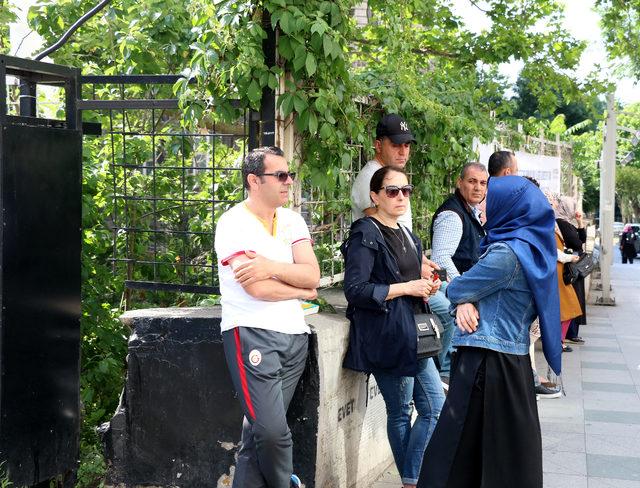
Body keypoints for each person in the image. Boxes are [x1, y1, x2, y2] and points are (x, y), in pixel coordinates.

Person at [417, 176, 562, 488]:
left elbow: (458, 285)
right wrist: (464, 303)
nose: (482, 206)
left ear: (510, 207)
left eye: (489, 201)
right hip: (511, 362)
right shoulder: (533, 247)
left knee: (454, 451)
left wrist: (462, 299)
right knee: (503, 453)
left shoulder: (507, 254)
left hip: (485, 362)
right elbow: (470, 292)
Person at [214, 146, 320, 488]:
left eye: (289, 174)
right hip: (252, 337)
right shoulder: (233, 223)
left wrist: (270, 267)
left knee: (257, 435)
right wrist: (299, 289)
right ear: (254, 181)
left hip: (294, 338)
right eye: (281, 175)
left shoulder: (292, 220)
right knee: (273, 433)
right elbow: (256, 290)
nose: (289, 181)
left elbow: (312, 275)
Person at [342, 166, 445, 488]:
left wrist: (428, 285)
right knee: (401, 412)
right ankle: (412, 481)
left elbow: (411, 281)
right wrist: (407, 288)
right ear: (375, 196)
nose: (401, 197)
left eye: (406, 190)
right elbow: (355, 290)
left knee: (433, 408)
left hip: (415, 334)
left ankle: (412, 477)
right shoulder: (365, 233)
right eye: (392, 191)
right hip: (387, 336)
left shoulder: (408, 235)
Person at [351, 113, 456, 387]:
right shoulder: (371, 178)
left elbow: (400, 235)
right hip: (389, 286)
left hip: (405, 277)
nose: (403, 150)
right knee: (445, 309)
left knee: (450, 296)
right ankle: (441, 371)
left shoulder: (390, 176)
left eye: (407, 145)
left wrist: (419, 261)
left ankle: (435, 371)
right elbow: (382, 233)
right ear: (378, 144)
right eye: (396, 144)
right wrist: (413, 272)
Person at [430, 162, 488, 280]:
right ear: (459, 182)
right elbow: (439, 259)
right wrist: (459, 289)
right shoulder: (452, 215)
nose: (478, 188)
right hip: (454, 292)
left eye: (483, 183)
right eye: (472, 181)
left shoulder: (469, 209)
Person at [554, 195, 587, 345]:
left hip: (572, 265)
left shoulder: (567, 222)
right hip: (568, 266)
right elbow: (577, 243)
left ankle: (569, 334)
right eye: (573, 206)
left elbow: (582, 238)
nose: (575, 210)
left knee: (575, 300)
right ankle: (566, 335)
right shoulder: (561, 223)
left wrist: (579, 222)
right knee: (572, 301)